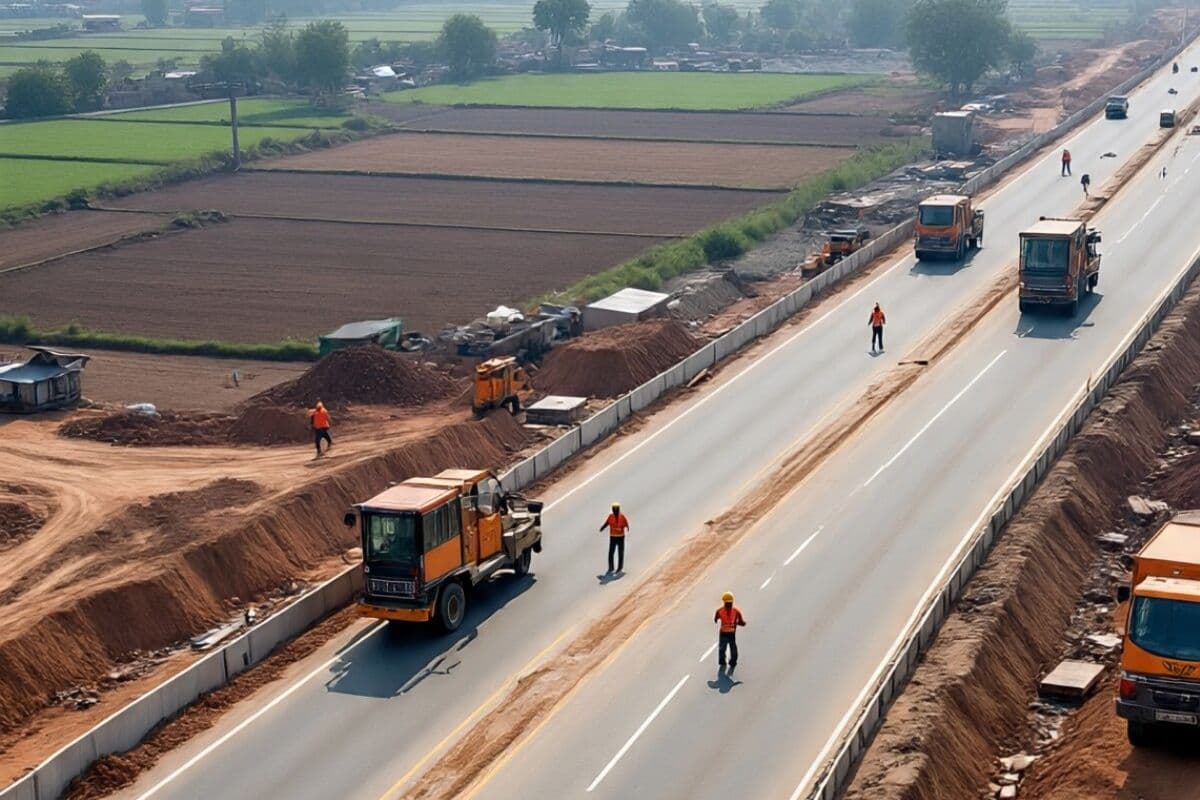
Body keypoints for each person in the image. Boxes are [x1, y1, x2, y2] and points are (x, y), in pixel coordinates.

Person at [714, 592, 746, 670]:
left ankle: (727, 662)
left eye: (729, 603)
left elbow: (715, 619)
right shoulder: (734, 611)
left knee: (723, 648)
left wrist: (739, 623)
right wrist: (738, 623)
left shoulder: (721, 611)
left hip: (728, 633)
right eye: (728, 603)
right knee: (730, 648)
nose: (729, 604)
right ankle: (727, 662)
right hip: (727, 633)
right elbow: (742, 622)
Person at [599, 502, 630, 573]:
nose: (615, 510)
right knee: (611, 552)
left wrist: (626, 528)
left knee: (620, 552)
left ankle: (620, 567)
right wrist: (602, 527)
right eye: (614, 509)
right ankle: (611, 567)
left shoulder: (622, 517)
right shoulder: (611, 516)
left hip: (620, 537)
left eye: (616, 509)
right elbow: (607, 523)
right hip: (613, 536)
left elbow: (626, 524)